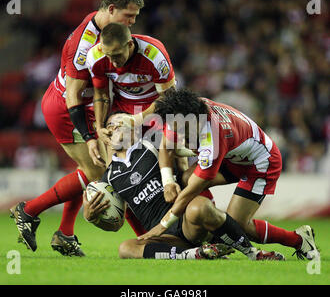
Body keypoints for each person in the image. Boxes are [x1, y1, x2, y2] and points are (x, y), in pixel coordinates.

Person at [10, 0, 145, 256]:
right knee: (101, 173)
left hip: (86, 107)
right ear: (110, 10)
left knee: (95, 171)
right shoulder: (85, 43)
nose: (133, 22)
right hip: (65, 108)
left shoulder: (105, 32)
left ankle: (64, 234)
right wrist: (91, 136)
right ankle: (29, 211)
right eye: (129, 16)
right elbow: (73, 94)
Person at [144, 88, 319, 261]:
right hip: (234, 157)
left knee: (236, 226)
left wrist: (163, 224)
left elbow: (193, 189)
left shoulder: (213, 136)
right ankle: (210, 232)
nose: (179, 135)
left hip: (260, 162)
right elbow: (167, 146)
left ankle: (299, 239)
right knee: (188, 178)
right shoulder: (186, 112)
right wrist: (167, 182)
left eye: (183, 130)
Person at [82, 112, 285, 261]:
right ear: (105, 136)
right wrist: (92, 218)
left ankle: (254, 253)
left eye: (120, 123)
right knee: (125, 248)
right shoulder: (108, 178)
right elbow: (115, 224)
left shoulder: (154, 143)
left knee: (201, 207)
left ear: (132, 127)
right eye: (110, 125)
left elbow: (195, 150)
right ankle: (196, 255)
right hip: (165, 237)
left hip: (187, 221)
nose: (114, 128)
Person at [85, 22, 176, 160]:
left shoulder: (154, 54)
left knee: (174, 154)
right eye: (108, 56)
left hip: (156, 105)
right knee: (114, 141)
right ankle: (111, 179)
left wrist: (138, 119)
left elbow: (169, 97)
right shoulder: (95, 57)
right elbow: (101, 94)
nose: (113, 62)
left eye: (117, 55)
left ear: (130, 45)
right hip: (123, 105)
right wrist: (99, 127)